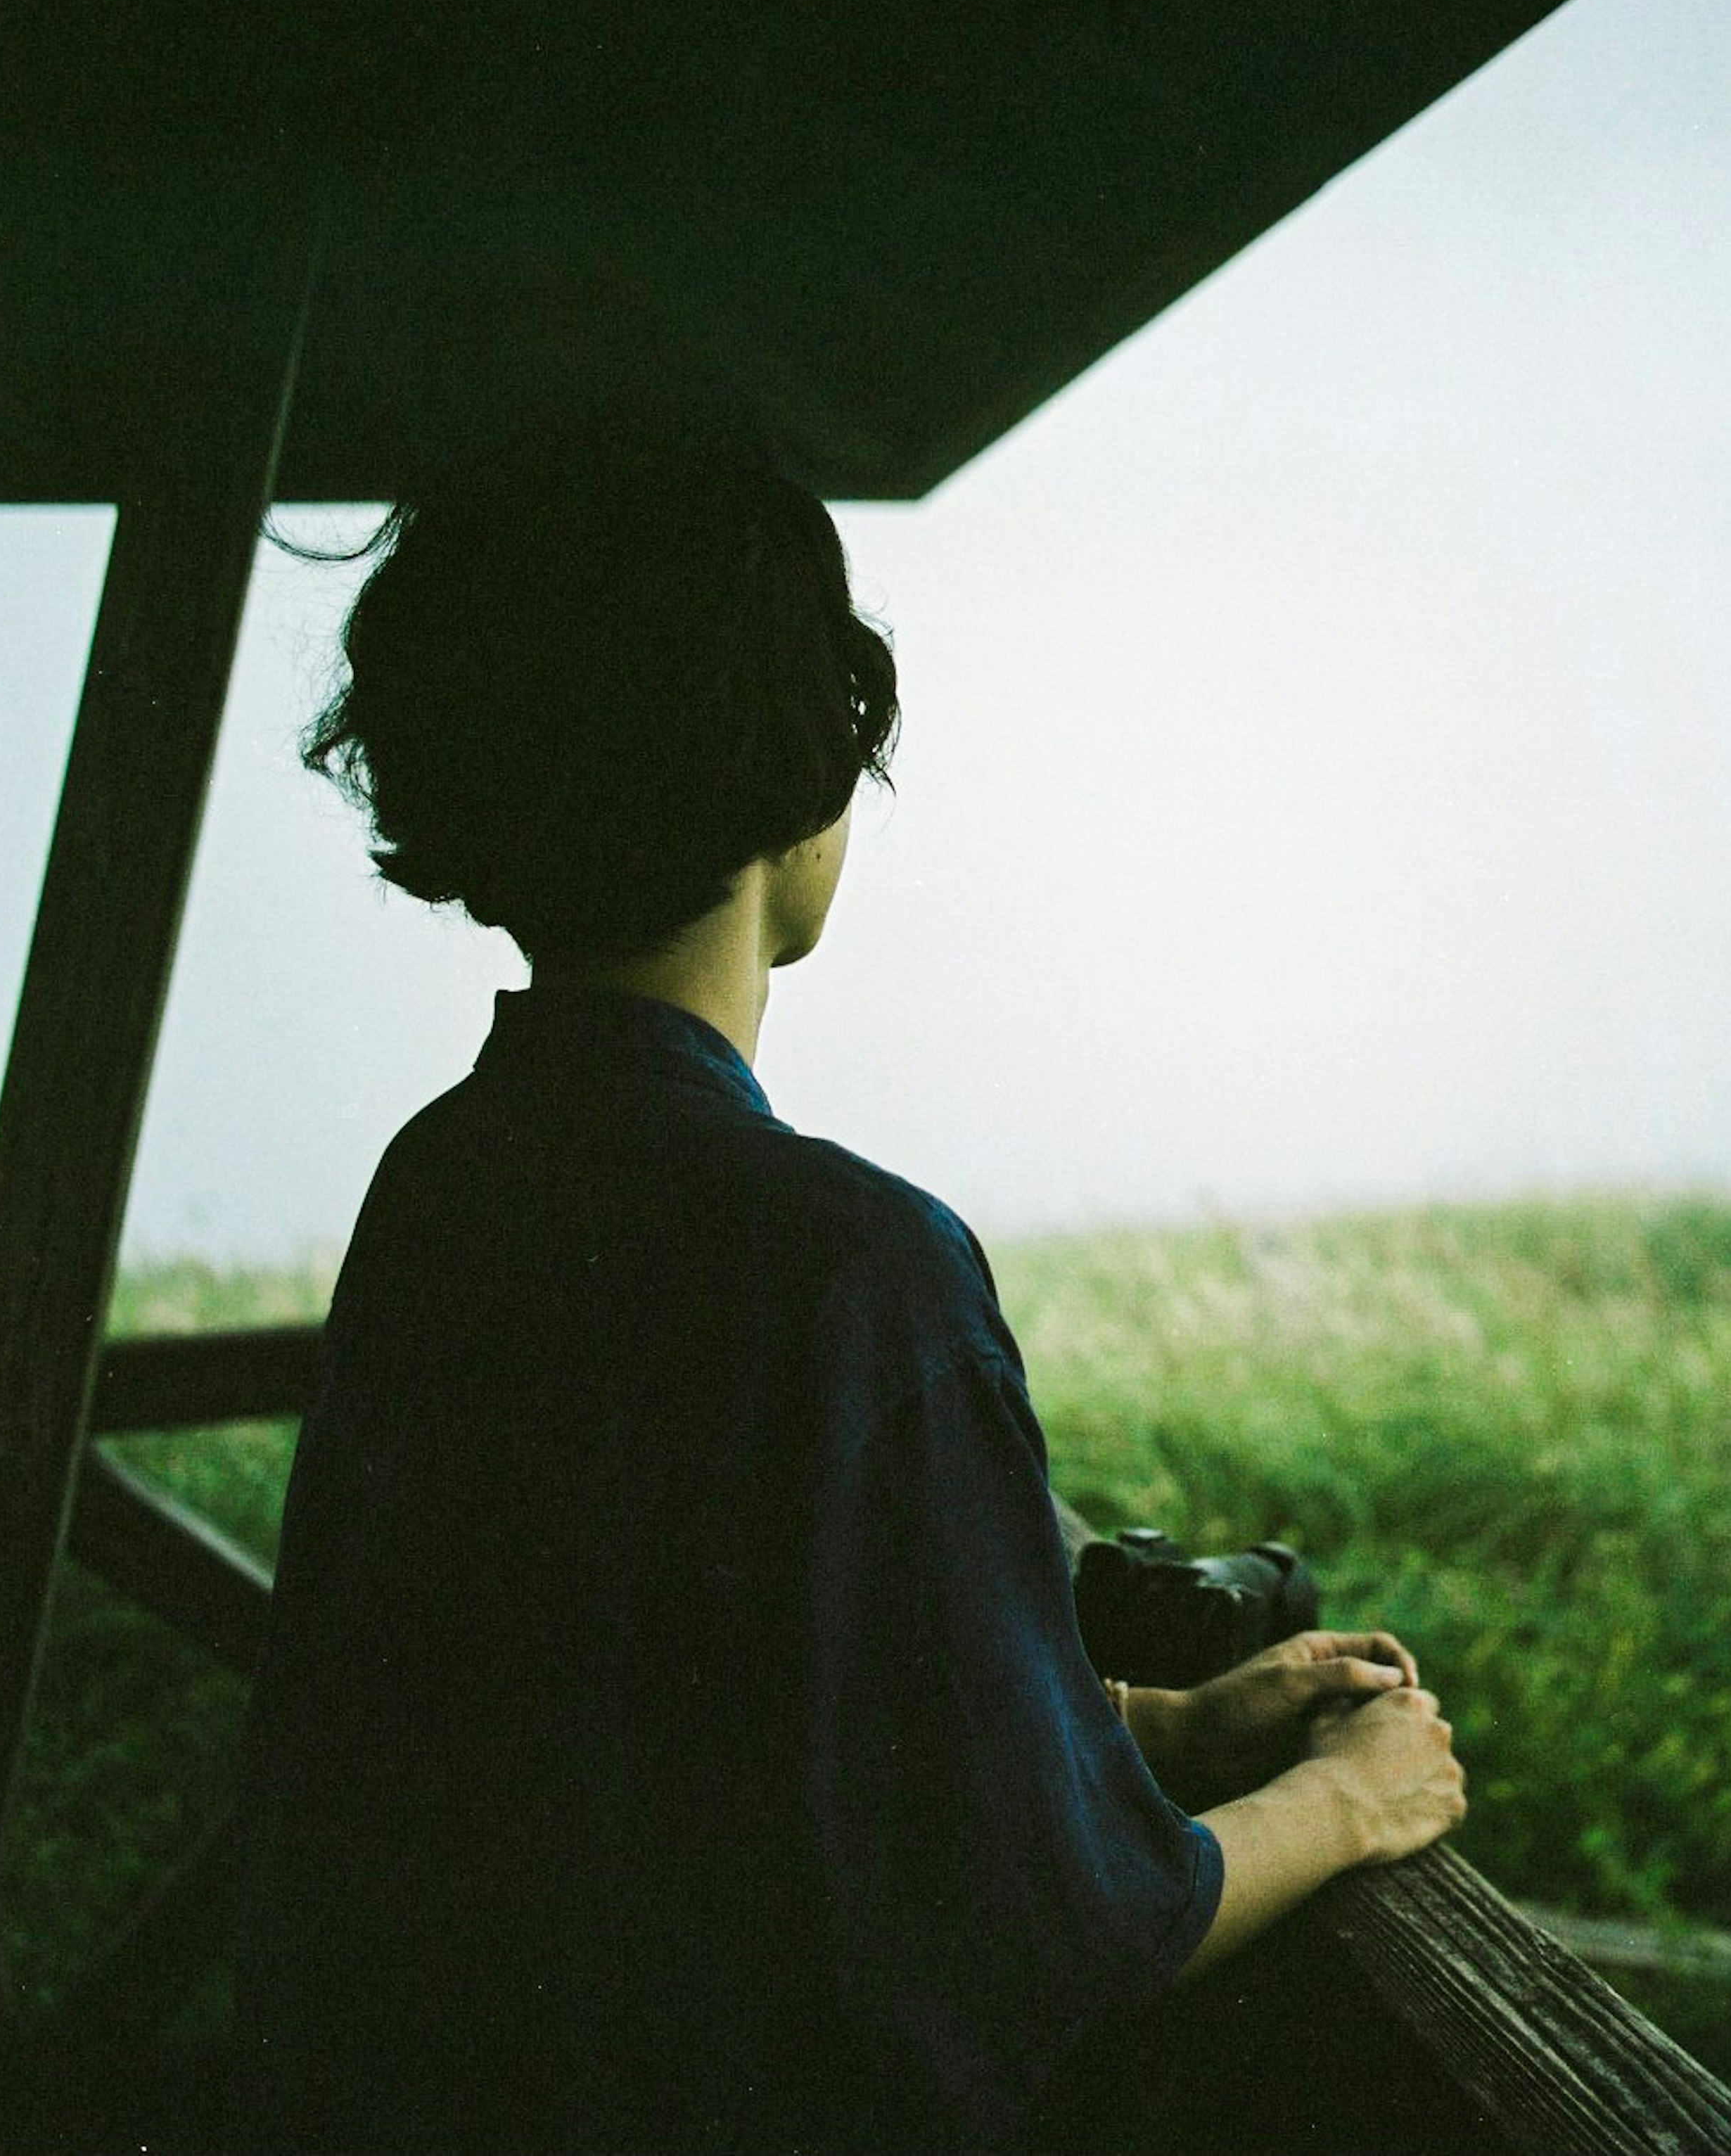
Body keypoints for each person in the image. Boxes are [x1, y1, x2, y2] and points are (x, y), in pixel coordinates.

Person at [226, 430, 1467, 2155]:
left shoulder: (445, 1182)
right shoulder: (849, 1265)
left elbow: (649, 1710)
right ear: (806, 789)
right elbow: (1043, 1938)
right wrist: (1347, 1803)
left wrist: (1147, 1728)